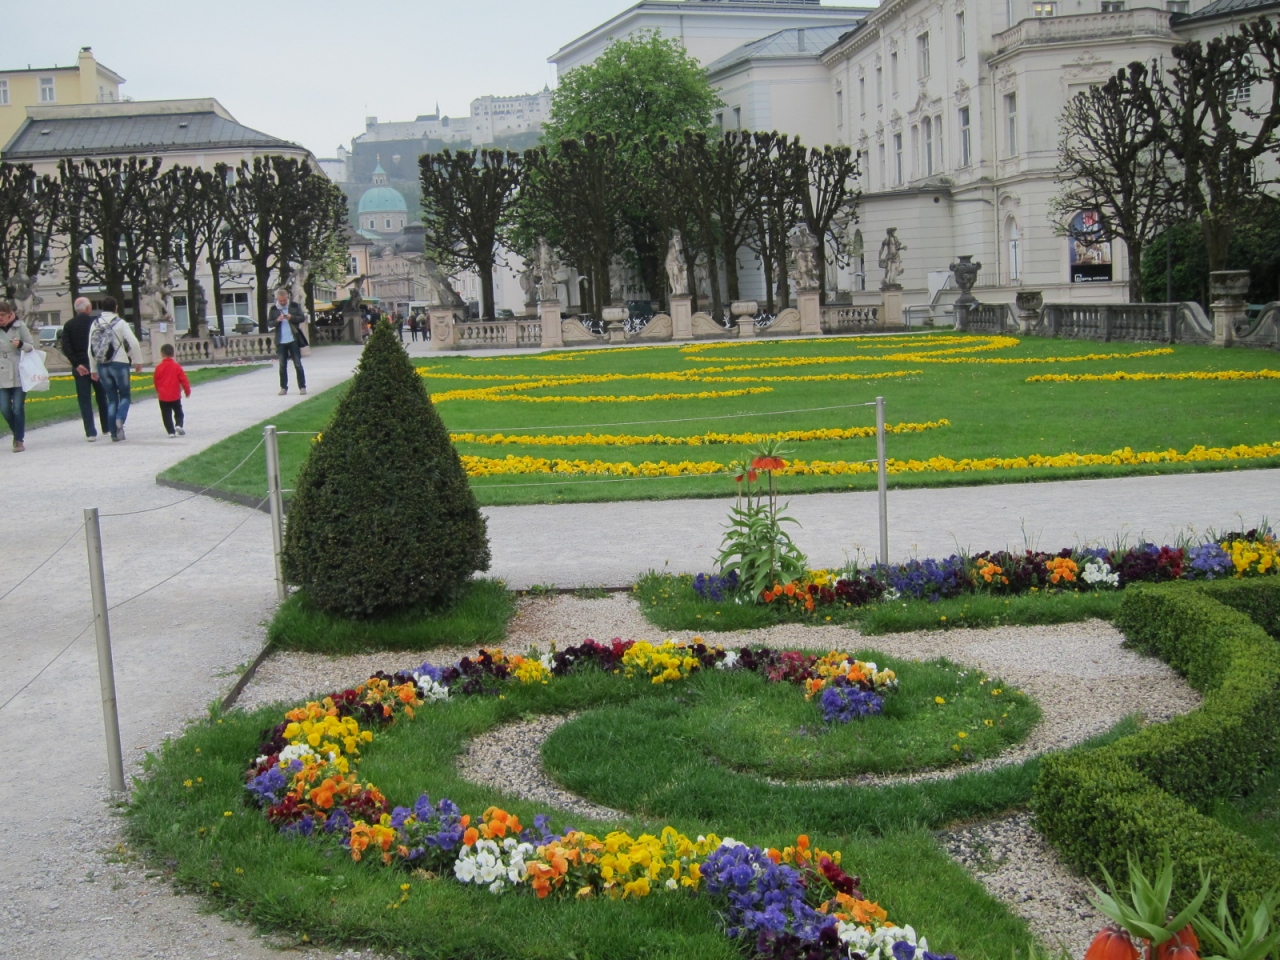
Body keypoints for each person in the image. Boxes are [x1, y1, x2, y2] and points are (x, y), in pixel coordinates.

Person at [88, 296, 144, 442]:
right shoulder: (120, 323)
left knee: (111, 399)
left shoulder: (95, 324)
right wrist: (138, 361)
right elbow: (134, 342)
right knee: (125, 395)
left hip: (102, 364)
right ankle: (120, 418)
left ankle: (114, 433)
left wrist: (93, 369)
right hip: (119, 362)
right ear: (116, 307)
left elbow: (90, 349)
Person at [60, 297, 111, 441]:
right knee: (102, 396)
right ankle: (106, 426)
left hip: (80, 366)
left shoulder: (69, 325)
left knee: (84, 400)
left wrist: (76, 364)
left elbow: (66, 347)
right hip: (95, 365)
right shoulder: (95, 322)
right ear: (88, 308)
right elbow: (102, 343)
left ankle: (90, 432)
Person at [0, 299, 35, 452]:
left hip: (19, 372)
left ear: (10, 314)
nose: (0, 318)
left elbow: (31, 346)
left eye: (2, 315)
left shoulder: (20, 326)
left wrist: (20, 345)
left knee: (18, 408)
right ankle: (17, 432)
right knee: (5, 408)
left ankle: (19, 440)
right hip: (2, 374)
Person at [269, 287, 308, 396]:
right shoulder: (273, 309)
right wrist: (277, 320)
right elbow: (269, 323)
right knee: (282, 365)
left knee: (298, 364)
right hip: (281, 341)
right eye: (281, 300)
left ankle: (302, 387)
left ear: (287, 297)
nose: (283, 302)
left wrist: (292, 317)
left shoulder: (294, 306)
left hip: (293, 339)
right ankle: (283, 387)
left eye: (284, 300)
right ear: (277, 299)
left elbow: (302, 318)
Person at [153, 343, 191, 437]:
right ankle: (178, 425)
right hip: (175, 395)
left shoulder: (158, 368)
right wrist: (187, 391)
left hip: (163, 396)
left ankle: (171, 432)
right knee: (178, 412)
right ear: (173, 354)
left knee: (166, 414)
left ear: (162, 354)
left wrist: (158, 391)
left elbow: (156, 381)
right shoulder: (176, 366)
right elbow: (183, 380)